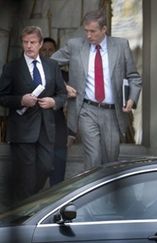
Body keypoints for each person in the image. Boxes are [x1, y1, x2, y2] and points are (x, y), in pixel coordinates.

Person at [51, 9, 142, 170]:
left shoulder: (121, 46)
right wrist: (63, 87)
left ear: (104, 29)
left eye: (93, 31)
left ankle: (107, 194)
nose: (88, 35)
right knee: (93, 157)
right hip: (86, 109)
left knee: (110, 159)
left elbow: (134, 76)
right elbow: (49, 66)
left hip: (112, 112)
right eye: (86, 31)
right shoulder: (75, 45)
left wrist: (131, 99)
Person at [0, 26, 67, 201]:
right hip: (22, 129)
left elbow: (62, 93)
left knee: (46, 167)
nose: (29, 46)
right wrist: (21, 100)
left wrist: (54, 102)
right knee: (27, 174)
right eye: (25, 42)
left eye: (33, 42)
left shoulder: (51, 65)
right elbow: (3, 97)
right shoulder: (12, 67)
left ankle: (25, 201)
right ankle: (26, 211)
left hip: (46, 127)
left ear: (40, 43)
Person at [40, 37, 69, 186]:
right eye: (43, 50)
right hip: (37, 132)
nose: (47, 53)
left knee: (57, 178)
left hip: (59, 131)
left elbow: (71, 105)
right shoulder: (31, 74)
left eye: (50, 50)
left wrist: (72, 132)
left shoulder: (65, 77)